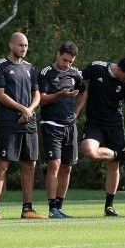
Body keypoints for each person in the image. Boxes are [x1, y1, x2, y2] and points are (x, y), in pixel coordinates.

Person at [0, 32, 44, 219]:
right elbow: (0, 95)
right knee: (3, 164)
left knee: (30, 164)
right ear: (11, 45)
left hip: (28, 121)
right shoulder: (0, 66)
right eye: (20, 45)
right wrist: (22, 109)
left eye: (26, 45)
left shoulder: (29, 68)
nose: (24, 49)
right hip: (9, 122)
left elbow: (37, 94)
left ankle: (27, 208)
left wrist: (29, 110)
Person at [80, 55, 125, 217]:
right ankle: (123, 155)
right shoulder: (97, 67)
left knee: (113, 166)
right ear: (119, 69)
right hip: (94, 123)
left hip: (115, 125)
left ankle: (109, 206)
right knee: (88, 150)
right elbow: (79, 77)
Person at [38, 41, 87, 218]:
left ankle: (59, 206)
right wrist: (59, 94)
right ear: (58, 54)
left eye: (70, 62)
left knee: (67, 167)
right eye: (65, 60)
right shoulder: (46, 73)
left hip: (69, 126)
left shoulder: (75, 74)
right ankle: (51, 208)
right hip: (51, 124)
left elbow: (84, 92)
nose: (67, 65)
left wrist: (76, 112)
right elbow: (41, 99)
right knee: (54, 165)